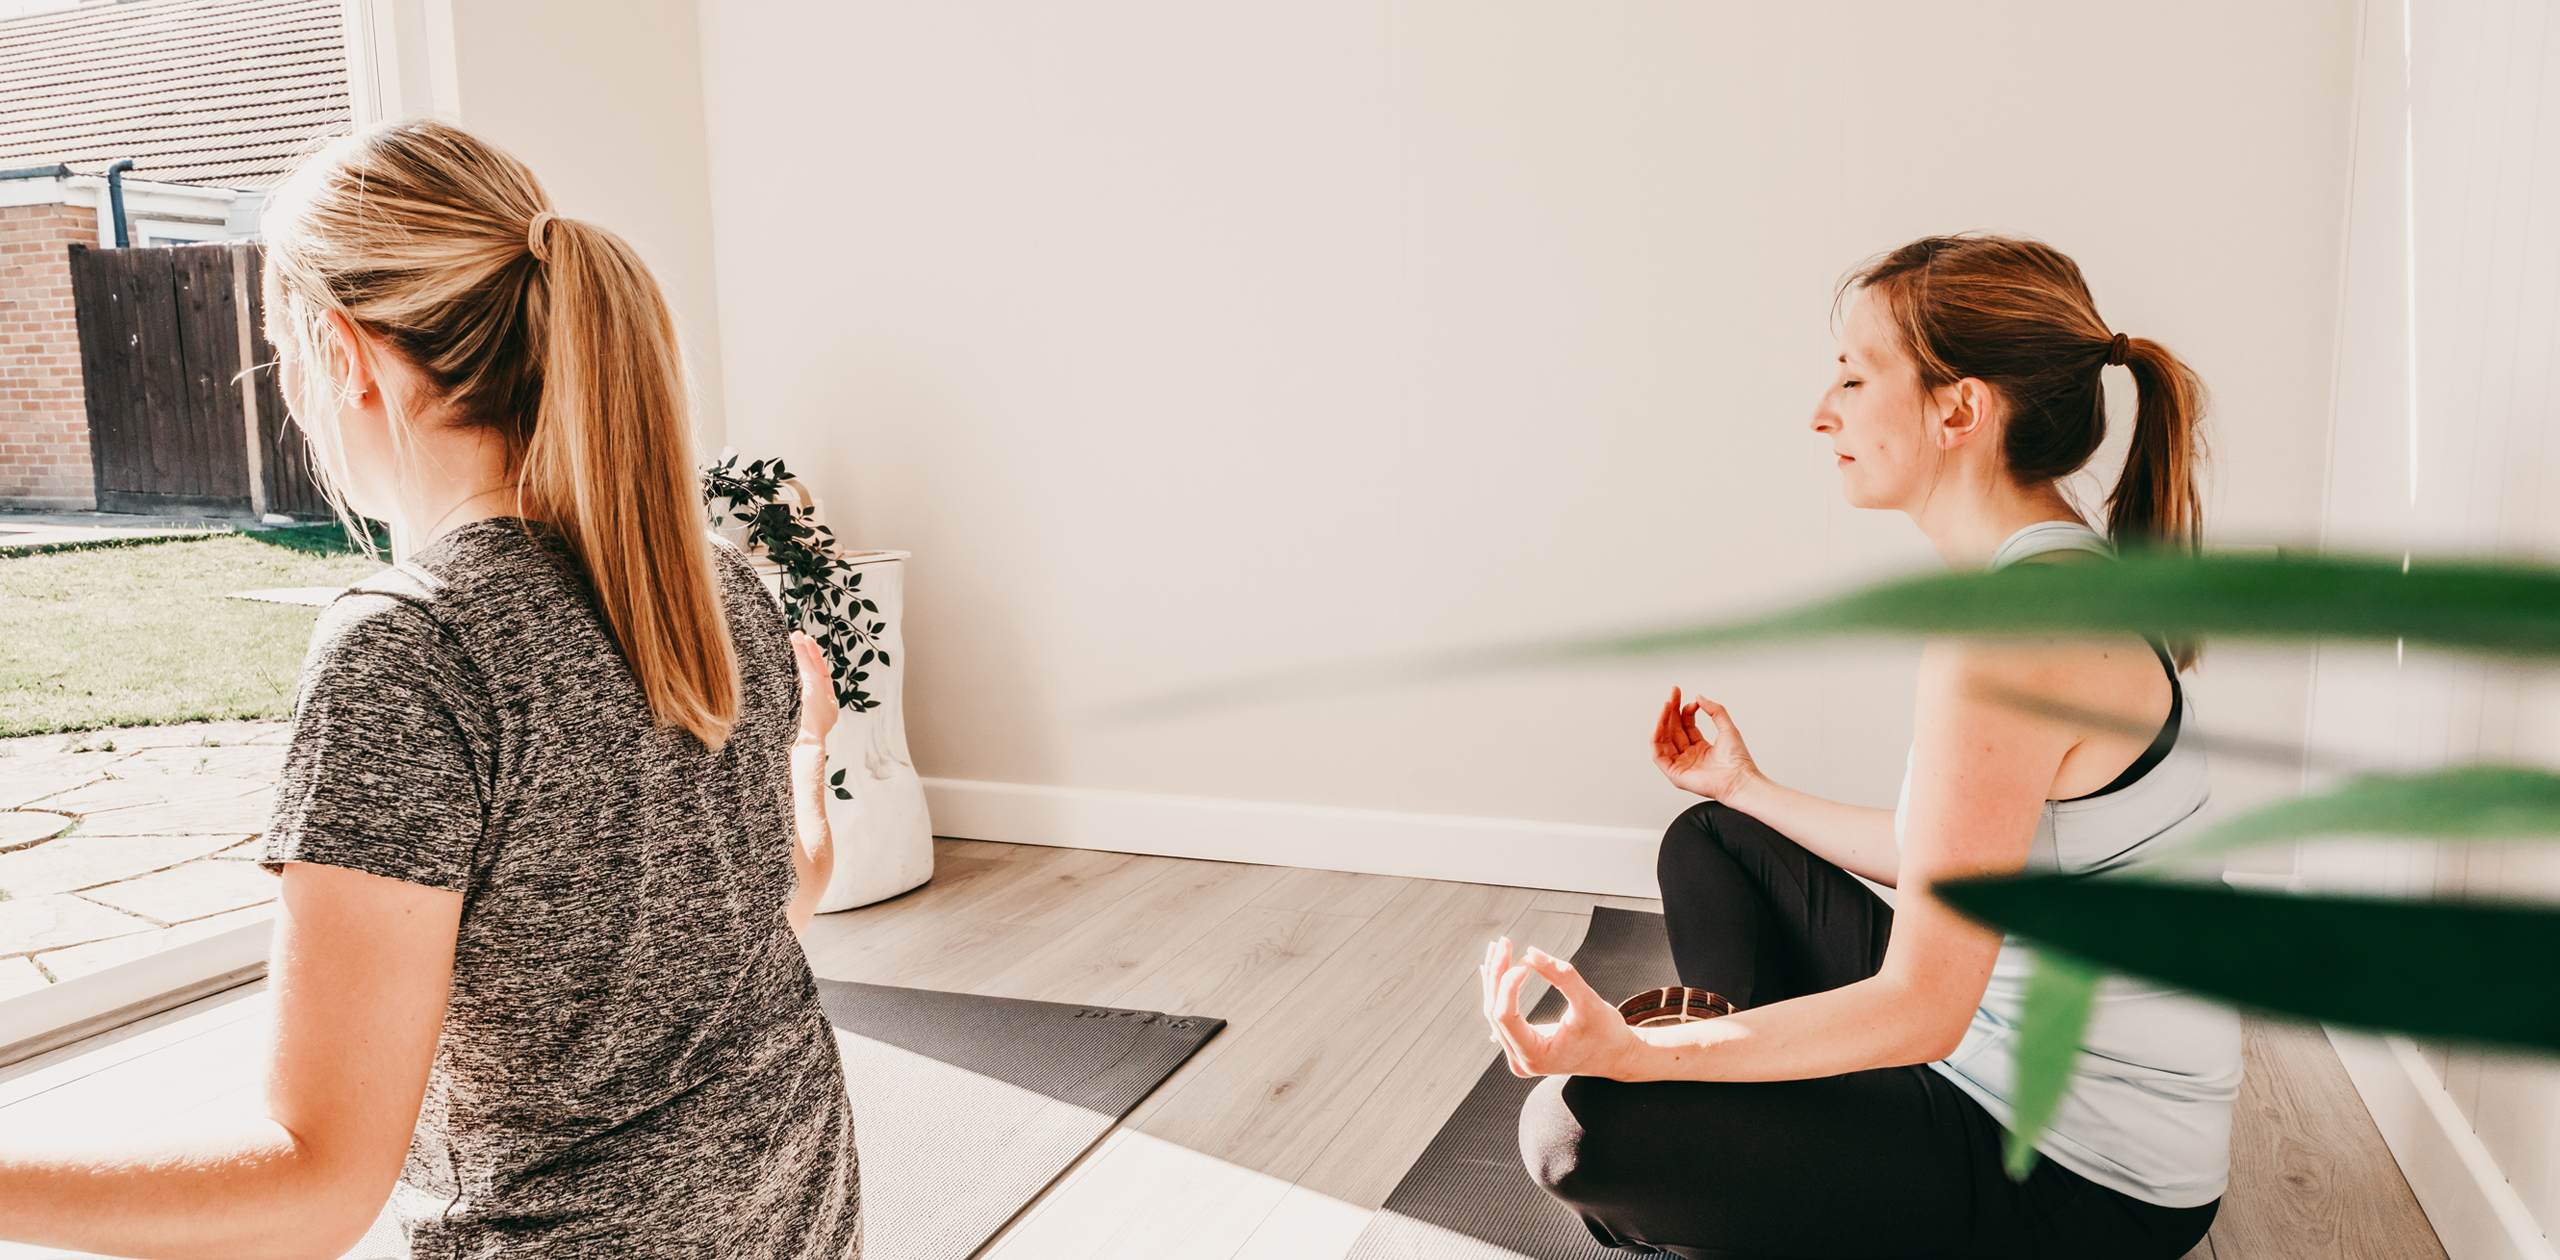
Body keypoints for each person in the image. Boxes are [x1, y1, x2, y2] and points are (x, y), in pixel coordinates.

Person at [0, 120, 861, 1259]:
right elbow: (778, 908)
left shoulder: (412, 649)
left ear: (343, 355)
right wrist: (805, 760)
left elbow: (313, 1190)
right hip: (803, 1218)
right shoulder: (709, 585)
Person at [1481, 235, 2239, 1260]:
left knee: (1573, 1133)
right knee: (1712, 835)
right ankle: (1767, 1146)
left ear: (1957, 410)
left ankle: (1747, 1172)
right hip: (1999, 1058)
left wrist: (1646, 1057)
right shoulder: (2054, 579)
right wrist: (1745, 785)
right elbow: (1955, 856)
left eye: (1851, 374)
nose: (1820, 411)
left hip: (2077, 1181)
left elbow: (1923, 1007)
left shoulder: (2013, 637)